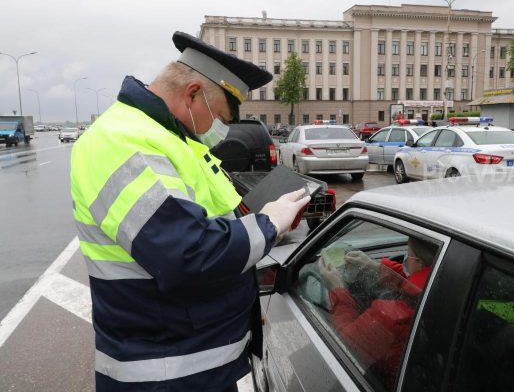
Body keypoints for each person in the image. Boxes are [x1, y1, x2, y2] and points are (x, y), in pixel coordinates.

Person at [70, 31, 310, 392]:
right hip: (162, 374)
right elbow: (188, 253)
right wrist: (269, 223)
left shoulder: (175, 140)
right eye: (222, 117)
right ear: (193, 93)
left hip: (194, 364)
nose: (223, 130)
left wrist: (272, 218)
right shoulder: (119, 141)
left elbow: (214, 221)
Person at [319, 237, 437, 390]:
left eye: (408, 254)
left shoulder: (395, 315)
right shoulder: (446, 281)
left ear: (420, 262)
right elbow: (414, 285)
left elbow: (347, 341)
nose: (405, 260)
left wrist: (337, 289)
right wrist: (376, 267)